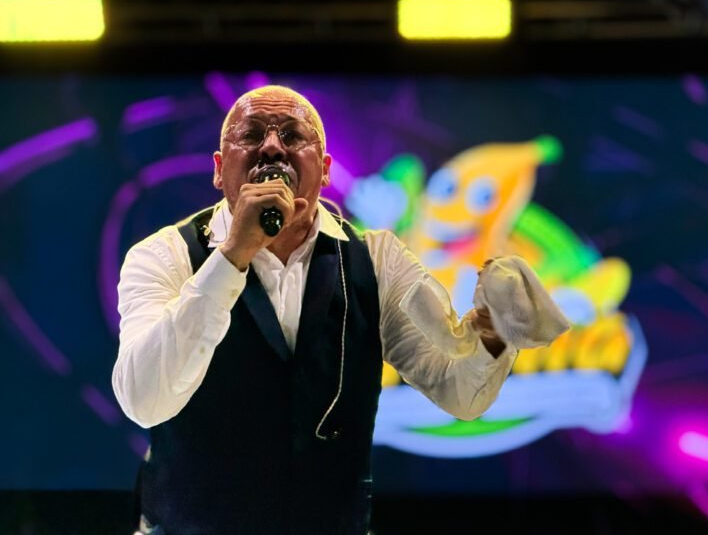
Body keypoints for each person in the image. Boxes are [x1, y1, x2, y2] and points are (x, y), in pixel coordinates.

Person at [112, 85, 569, 535]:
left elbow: (458, 391)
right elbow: (142, 399)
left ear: (326, 168)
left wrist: (495, 329)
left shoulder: (378, 261)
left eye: (292, 135)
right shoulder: (164, 257)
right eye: (250, 135)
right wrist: (232, 256)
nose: (271, 147)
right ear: (218, 169)